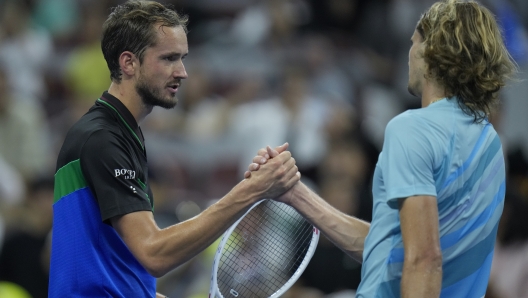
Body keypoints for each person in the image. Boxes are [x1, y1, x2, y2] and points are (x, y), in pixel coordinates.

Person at [247, 0, 517, 297]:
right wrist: (295, 194)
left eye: (414, 43)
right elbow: (391, 250)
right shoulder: (491, 143)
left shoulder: (412, 128)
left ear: (431, 51)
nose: (409, 55)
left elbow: (424, 258)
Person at [48, 1, 300, 297]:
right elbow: (154, 254)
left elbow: (107, 263)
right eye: (168, 58)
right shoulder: (103, 138)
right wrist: (251, 190)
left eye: (182, 58)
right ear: (128, 63)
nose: (182, 72)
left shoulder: (118, 132)